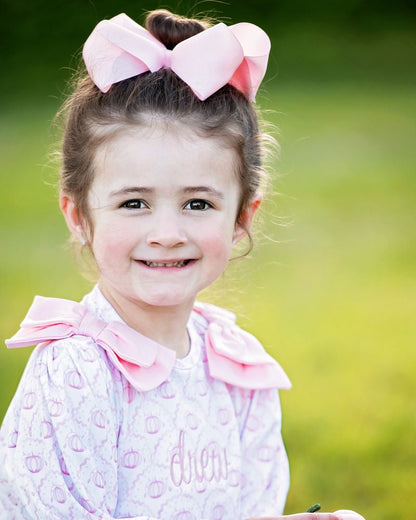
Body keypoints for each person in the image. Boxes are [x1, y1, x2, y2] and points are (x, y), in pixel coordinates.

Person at [0, 9, 366, 520]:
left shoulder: (237, 367)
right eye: (134, 203)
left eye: (198, 203)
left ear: (241, 217)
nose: (167, 234)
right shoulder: (78, 373)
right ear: (79, 215)